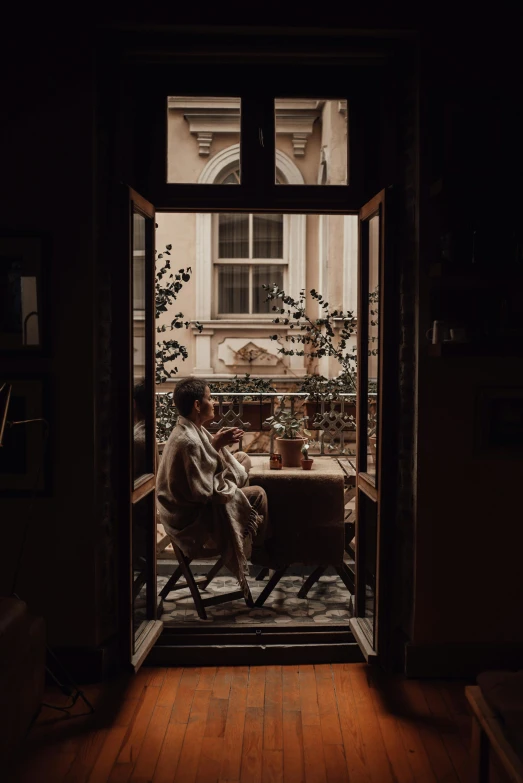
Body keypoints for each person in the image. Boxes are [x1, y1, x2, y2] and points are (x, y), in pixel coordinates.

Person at [156, 377, 269, 595]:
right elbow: (203, 492)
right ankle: (261, 551)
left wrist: (217, 444)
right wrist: (216, 444)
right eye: (210, 398)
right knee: (260, 493)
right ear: (197, 405)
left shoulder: (191, 430)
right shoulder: (187, 441)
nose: (214, 402)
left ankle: (261, 541)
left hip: (191, 507)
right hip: (190, 521)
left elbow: (203, 469)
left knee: (242, 458)